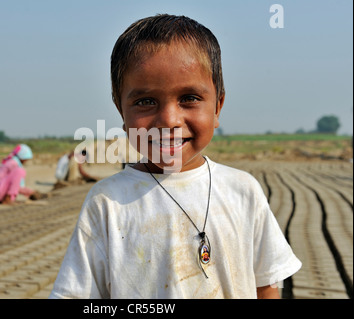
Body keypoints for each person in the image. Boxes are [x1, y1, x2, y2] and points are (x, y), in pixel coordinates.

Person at [50, 14, 301, 299]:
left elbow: (266, 283)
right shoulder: (106, 203)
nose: (169, 119)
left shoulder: (243, 191)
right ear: (122, 111)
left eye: (189, 98)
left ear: (217, 106)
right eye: (145, 102)